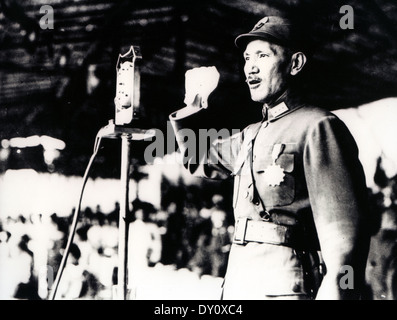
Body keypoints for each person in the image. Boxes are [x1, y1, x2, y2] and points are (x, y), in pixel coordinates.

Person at [169, 16, 370, 300]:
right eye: (247, 57)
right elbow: (196, 157)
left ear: (295, 64)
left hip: (285, 285)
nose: (250, 66)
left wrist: (336, 292)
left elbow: (343, 234)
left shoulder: (318, 126)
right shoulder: (250, 135)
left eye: (262, 55)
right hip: (240, 283)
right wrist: (193, 105)